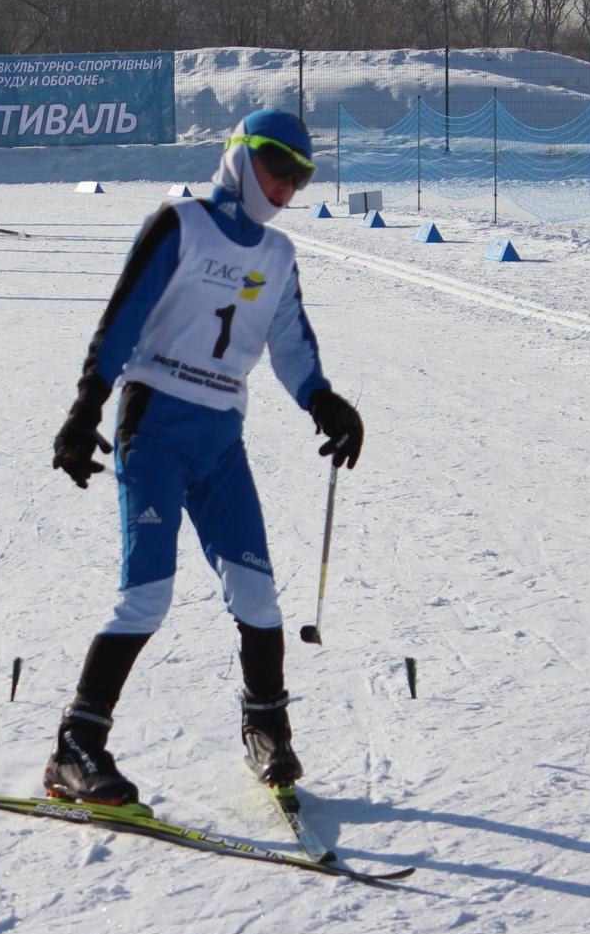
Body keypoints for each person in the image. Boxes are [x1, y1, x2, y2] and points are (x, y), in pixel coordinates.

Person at [46, 109, 364, 807]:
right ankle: (76, 745)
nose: (284, 187)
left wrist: (325, 401)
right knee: (147, 593)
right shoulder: (180, 223)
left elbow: (291, 343)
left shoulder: (277, 256)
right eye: (276, 168)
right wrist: (83, 410)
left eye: (299, 177)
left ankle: (266, 726)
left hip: (220, 438)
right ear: (240, 157)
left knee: (257, 591)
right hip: (154, 423)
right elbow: (121, 319)